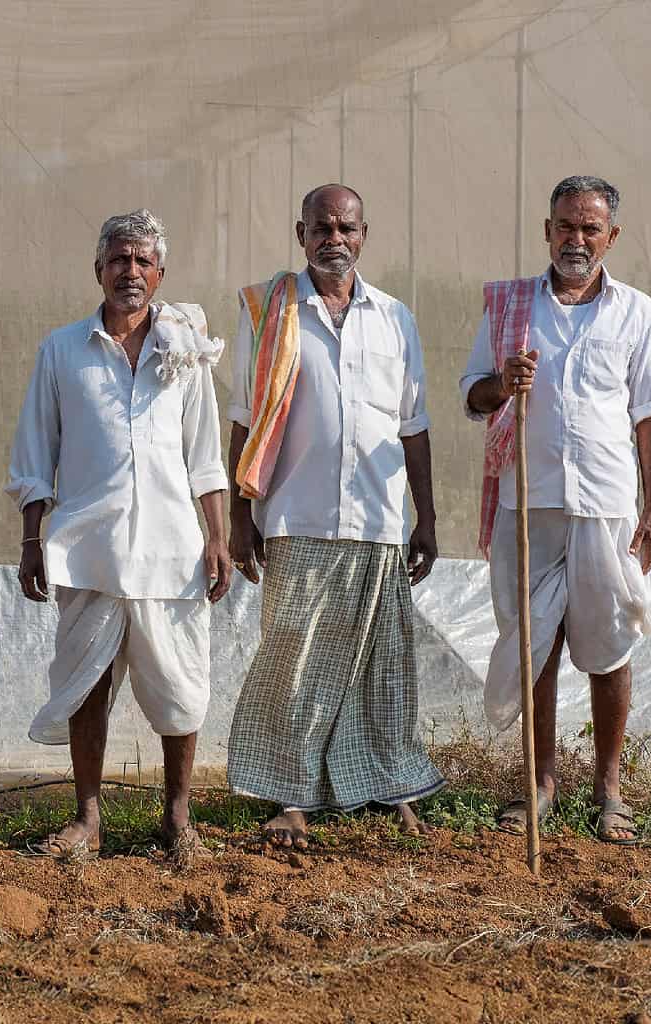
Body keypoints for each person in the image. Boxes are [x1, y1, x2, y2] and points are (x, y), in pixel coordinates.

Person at [7, 209, 230, 859]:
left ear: (161, 273)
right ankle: (86, 819)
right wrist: (30, 540)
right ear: (98, 270)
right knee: (86, 683)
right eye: (118, 259)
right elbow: (33, 455)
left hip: (172, 550)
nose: (129, 271)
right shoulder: (61, 351)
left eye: (142, 261)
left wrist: (217, 537)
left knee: (181, 687)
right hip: (89, 548)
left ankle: (178, 818)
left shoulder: (185, 348)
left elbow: (207, 456)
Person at [226, 183, 444, 848]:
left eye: (346, 227)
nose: (335, 239)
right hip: (297, 518)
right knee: (293, 663)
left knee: (381, 667)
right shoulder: (271, 313)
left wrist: (425, 518)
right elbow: (243, 415)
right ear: (301, 234)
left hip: (378, 522)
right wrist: (242, 519)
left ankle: (387, 785)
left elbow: (414, 425)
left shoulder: (394, 317)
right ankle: (291, 798)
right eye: (322, 227)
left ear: (364, 233)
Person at [460, 176, 651, 845]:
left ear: (611, 236)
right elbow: (472, 397)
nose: (575, 240)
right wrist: (503, 384)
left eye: (589, 229)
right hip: (531, 503)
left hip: (607, 503)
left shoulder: (639, 312)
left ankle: (608, 789)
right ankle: (540, 782)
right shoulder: (510, 307)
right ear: (546, 230)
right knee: (536, 644)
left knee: (609, 644)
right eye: (564, 226)